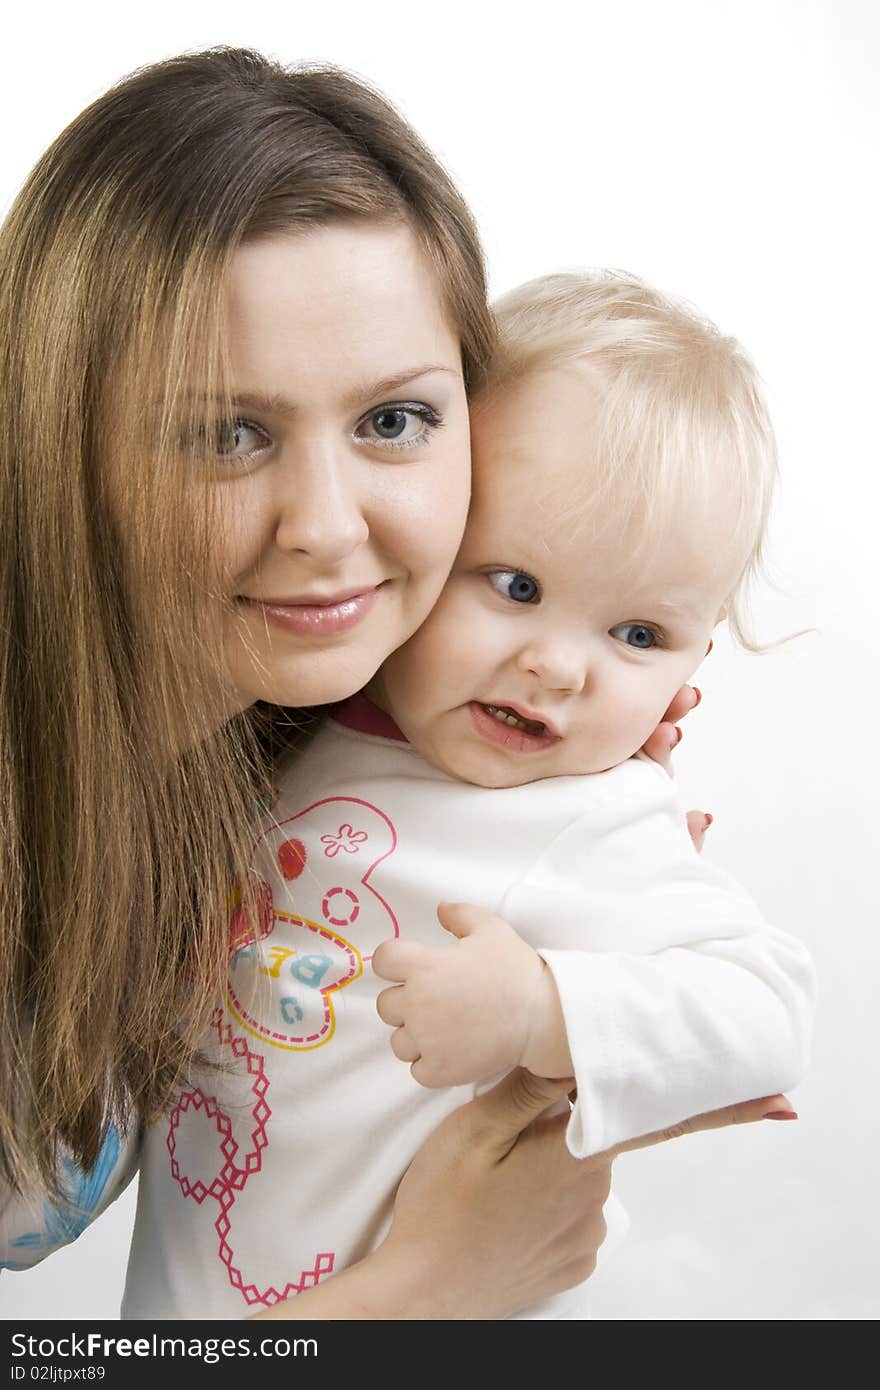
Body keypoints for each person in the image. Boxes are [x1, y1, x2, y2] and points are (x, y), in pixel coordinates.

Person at [0, 47, 794, 1322]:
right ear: (61, 446)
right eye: (227, 432)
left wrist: (565, 992)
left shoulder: (292, 749)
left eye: (394, 421)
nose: (325, 526)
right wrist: (426, 1291)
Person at [119, 272, 815, 1319]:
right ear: (428, 541)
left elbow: (769, 1013)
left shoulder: (593, 818)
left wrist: (541, 1007)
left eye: (637, 635)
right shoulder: (289, 735)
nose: (558, 667)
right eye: (516, 585)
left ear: (691, 662)